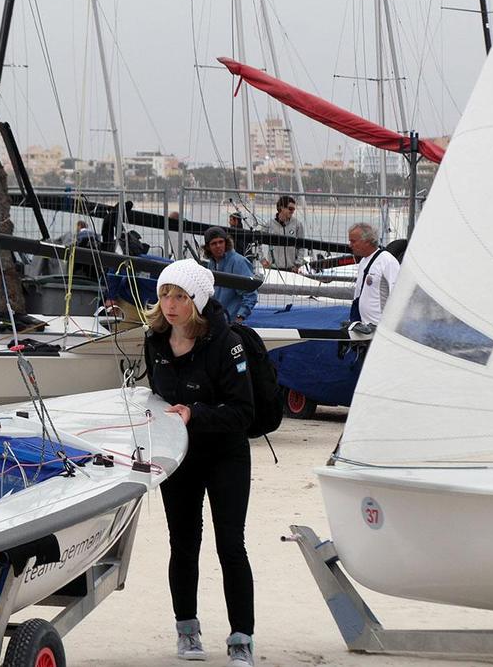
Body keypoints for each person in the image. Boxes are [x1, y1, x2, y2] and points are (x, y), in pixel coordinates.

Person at [143, 259, 256, 667]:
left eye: (180, 296)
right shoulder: (154, 338)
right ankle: (186, 631)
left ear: (198, 299)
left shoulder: (226, 343)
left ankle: (241, 639)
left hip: (225, 454)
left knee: (231, 545)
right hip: (181, 457)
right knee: (184, 544)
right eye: (164, 294)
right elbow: (156, 394)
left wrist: (195, 413)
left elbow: (243, 412)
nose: (170, 304)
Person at [348, 222, 400, 327]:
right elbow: (359, 293)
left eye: (353, 241)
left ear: (367, 241)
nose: (350, 245)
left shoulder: (387, 261)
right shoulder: (363, 261)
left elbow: (398, 294)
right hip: (365, 326)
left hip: (380, 327)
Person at [203, 226, 257, 323]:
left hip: (233, 322)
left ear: (226, 242)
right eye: (214, 243)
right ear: (208, 247)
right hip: (218, 321)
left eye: (221, 242)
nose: (218, 246)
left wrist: (240, 317)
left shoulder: (239, 262)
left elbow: (250, 293)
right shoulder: (211, 263)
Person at [260, 195, 304, 270]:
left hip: (292, 269)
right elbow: (257, 243)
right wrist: (262, 259)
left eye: (294, 209)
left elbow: (302, 246)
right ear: (281, 208)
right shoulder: (269, 225)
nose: (293, 211)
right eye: (290, 209)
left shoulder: (297, 225)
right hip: (273, 268)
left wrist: (298, 264)